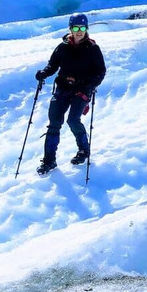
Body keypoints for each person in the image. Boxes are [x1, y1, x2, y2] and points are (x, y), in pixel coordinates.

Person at [34, 13, 107, 175]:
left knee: (73, 120)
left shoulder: (93, 49)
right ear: (70, 29)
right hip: (63, 88)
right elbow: (52, 66)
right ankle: (49, 161)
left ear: (86, 29)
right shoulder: (62, 47)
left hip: (82, 89)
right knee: (54, 122)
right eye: (76, 28)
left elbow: (100, 72)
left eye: (82, 28)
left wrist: (87, 83)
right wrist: (43, 73)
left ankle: (84, 150)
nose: (79, 31)